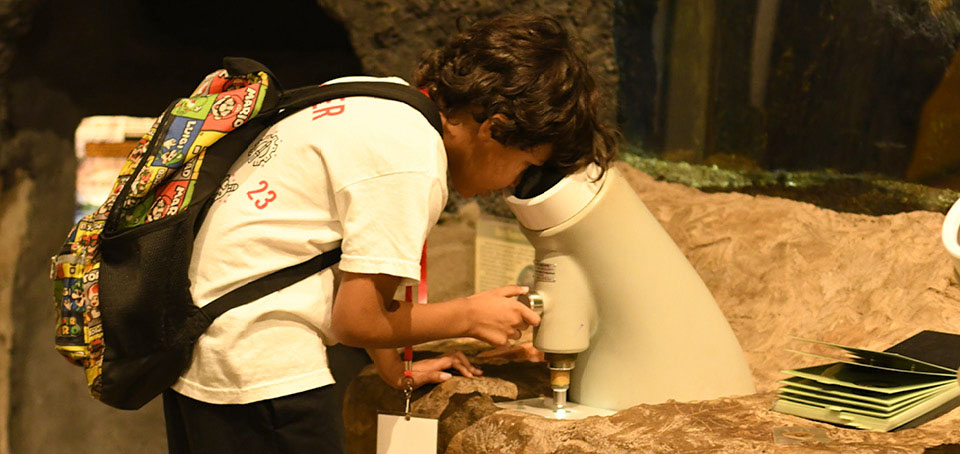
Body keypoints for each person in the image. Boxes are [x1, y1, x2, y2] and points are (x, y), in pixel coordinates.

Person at [161, 13, 617, 454]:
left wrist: (396, 368)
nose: (512, 184)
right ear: (494, 128)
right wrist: (469, 315)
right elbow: (356, 320)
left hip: (203, 348)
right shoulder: (412, 158)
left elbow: (345, 260)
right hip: (259, 369)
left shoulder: (381, 102)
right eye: (527, 164)